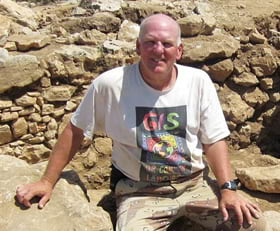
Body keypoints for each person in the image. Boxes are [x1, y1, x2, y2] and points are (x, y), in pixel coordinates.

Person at [16, 14, 268, 230]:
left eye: (167, 44)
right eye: (150, 42)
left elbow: (214, 140)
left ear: (179, 51)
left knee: (253, 223)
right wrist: (47, 181)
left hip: (195, 185)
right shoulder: (111, 85)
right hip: (140, 191)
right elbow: (76, 129)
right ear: (138, 47)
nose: (158, 50)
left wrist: (228, 189)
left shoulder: (197, 81)